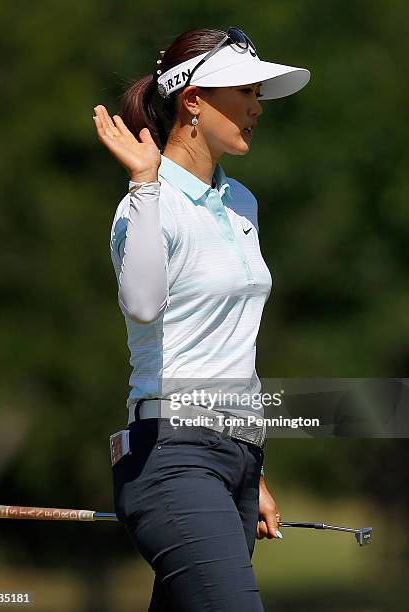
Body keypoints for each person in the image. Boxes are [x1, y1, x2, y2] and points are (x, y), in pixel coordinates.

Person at [93, 27, 310, 612]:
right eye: (245, 91)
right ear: (193, 100)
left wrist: (250, 465)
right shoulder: (145, 202)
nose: (256, 106)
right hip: (170, 457)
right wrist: (142, 185)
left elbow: (230, 346)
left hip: (235, 461)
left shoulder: (242, 202)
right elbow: (140, 304)